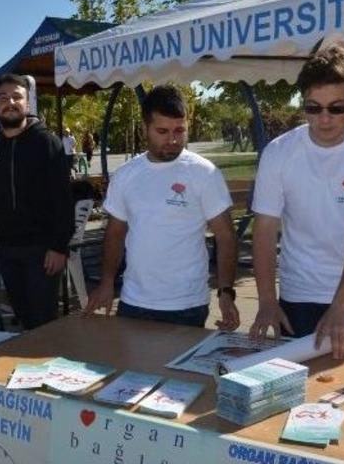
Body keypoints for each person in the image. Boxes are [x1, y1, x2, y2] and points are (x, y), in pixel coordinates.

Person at [249, 45, 344, 359]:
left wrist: (341, 305)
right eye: (313, 108)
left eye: (336, 108)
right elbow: (264, 229)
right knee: (297, 386)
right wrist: (266, 300)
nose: (323, 119)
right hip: (299, 294)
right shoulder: (278, 152)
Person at [82, 85, 240, 331]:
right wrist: (106, 283)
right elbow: (115, 233)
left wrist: (226, 292)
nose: (173, 140)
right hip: (134, 301)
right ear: (145, 128)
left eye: (180, 130)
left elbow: (226, 236)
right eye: (162, 131)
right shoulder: (126, 175)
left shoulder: (204, 173)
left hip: (187, 305)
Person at [0, 74, 73, 330]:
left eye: (16, 97)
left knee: (43, 323)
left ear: (27, 102)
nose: (10, 102)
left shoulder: (46, 142)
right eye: (3, 98)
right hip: (7, 249)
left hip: (42, 250)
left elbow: (63, 198)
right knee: (23, 318)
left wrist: (59, 247)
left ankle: (49, 357)